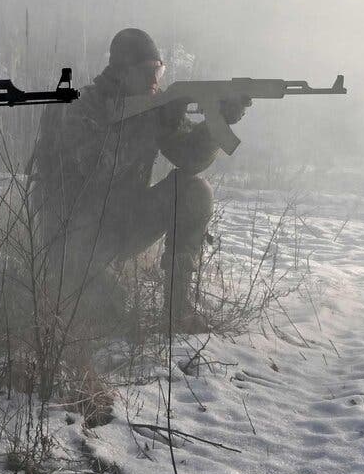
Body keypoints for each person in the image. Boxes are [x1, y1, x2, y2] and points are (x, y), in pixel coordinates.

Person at [27, 27, 249, 329]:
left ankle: (177, 312)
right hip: (72, 242)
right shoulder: (78, 109)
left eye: (159, 70)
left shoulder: (150, 107)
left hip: (122, 225)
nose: (155, 80)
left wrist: (216, 121)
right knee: (108, 317)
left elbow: (191, 158)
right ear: (121, 72)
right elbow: (94, 172)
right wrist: (146, 124)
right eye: (148, 71)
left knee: (195, 192)